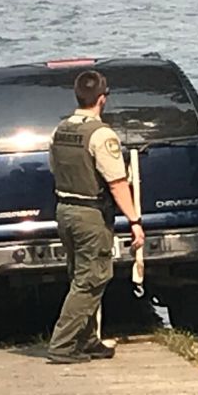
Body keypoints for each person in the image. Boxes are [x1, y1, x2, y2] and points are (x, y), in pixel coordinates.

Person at [47, 70, 146, 364]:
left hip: (65, 210)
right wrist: (134, 221)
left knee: (79, 276)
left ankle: (87, 339)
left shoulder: (60, 130)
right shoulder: (101, 135)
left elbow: (55, 168)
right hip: (90, 214)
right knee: (91, 280)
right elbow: (116, 183)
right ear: (102, 99)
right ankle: (63, 344)